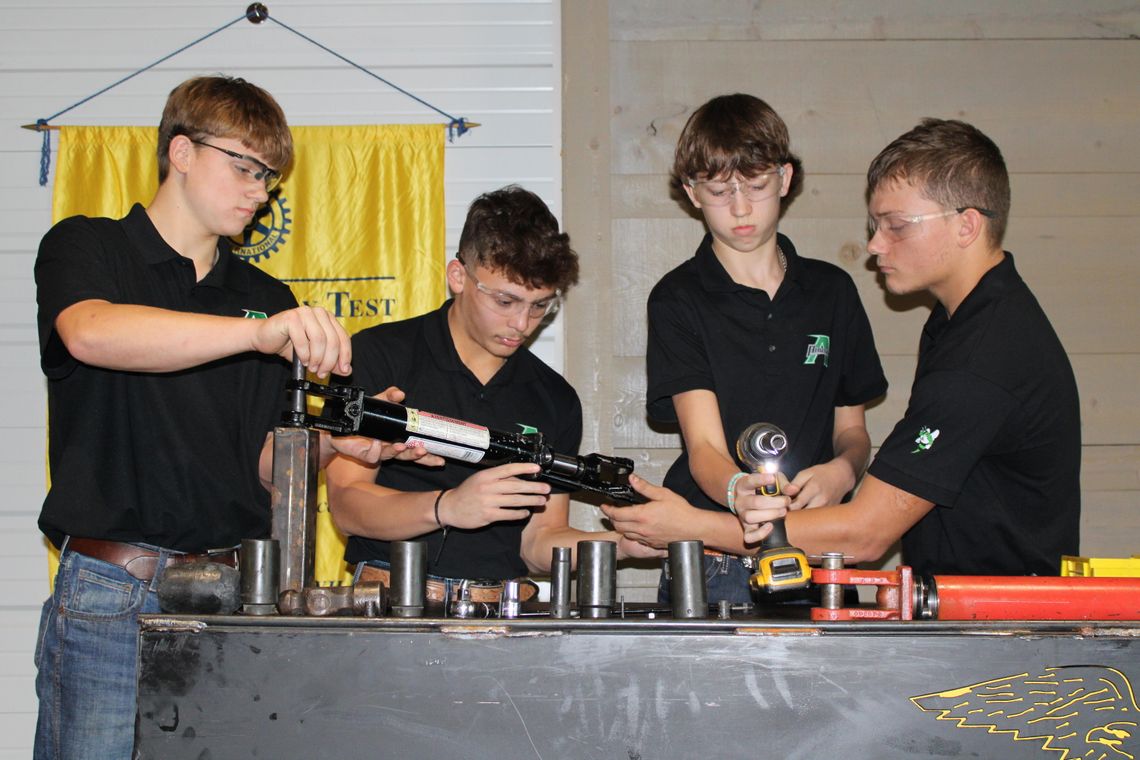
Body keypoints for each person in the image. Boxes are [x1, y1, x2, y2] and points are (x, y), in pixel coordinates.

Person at [32, 75, 396, 760]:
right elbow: (90, 334)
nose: (259, 191)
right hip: (114, 593)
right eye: (245, 167)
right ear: (181, 151)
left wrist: (341, 447)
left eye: (270, 177)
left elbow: (263, 462)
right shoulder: (89, 247)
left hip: (234, 595)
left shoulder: (265, 295)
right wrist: (253, 335)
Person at [651, 118, 1080, 578]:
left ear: (967, 225)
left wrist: (693, 526)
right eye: (874, 225)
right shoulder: (958, 323)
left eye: (896, 226)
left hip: (1002, 616)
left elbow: (865, 532)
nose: (875, 245)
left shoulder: (984, 356)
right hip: (964, 603)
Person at [602, 94, 886, 603]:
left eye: (755, 186)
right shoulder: (678, 299)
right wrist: (737, 491)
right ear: (691, 192)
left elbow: (853, 431)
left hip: (819, 551)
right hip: (715, 561)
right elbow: (704, 448)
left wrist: (843, 472)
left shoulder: (833, 291)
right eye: (718, 191)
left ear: (785, 179)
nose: (739, 209)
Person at [327, 185, 654, 604]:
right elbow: (347, 505)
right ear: (458, 276)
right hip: (390, 602)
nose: (521, 323)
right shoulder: (379, 354)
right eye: (505, 300)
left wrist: (619, 548)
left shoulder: (554, 398)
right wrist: (447, 507)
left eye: (540, 306)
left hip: (501, 613)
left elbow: (538, 540)